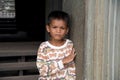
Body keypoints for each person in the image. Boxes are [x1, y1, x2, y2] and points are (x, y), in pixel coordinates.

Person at [36, 11, 76, 80]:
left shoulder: (69, 45)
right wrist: (62, 62)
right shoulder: (44, 47)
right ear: (48, 28)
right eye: (54, 27)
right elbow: (42, 71)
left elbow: (71, 70)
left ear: (67, 30)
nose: (58, 31)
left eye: (62, 28)